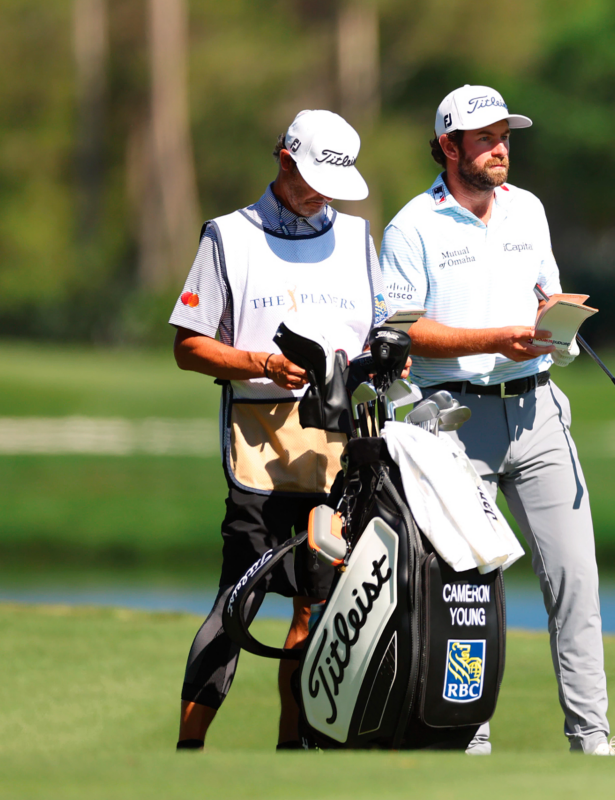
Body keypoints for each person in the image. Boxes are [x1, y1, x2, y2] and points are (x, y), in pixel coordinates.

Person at [379, 85, 615, 756]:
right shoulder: (411, 227)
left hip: (539, 410)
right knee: (466, 596)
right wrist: (496, 338)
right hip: (454, 423)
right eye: (486, 138)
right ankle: (468, 743)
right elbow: (402, 333)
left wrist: (557, 319)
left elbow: (545, 292)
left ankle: (593, 740)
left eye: (506, 136)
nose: (501, 148)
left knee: (576, 581)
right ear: (449, 146)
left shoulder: (530, 210)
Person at [169, 109, 391, 751]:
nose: (321, 194)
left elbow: (378, 329)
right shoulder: (227, 236)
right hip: (259, 446)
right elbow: (190, 346)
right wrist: (263, 362)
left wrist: (385, 354)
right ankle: (188, 751)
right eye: (313, 177)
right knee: (237, 601)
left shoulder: (356, 238)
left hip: (340, 446)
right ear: (285, 159)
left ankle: (291, 754)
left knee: (317, 607)